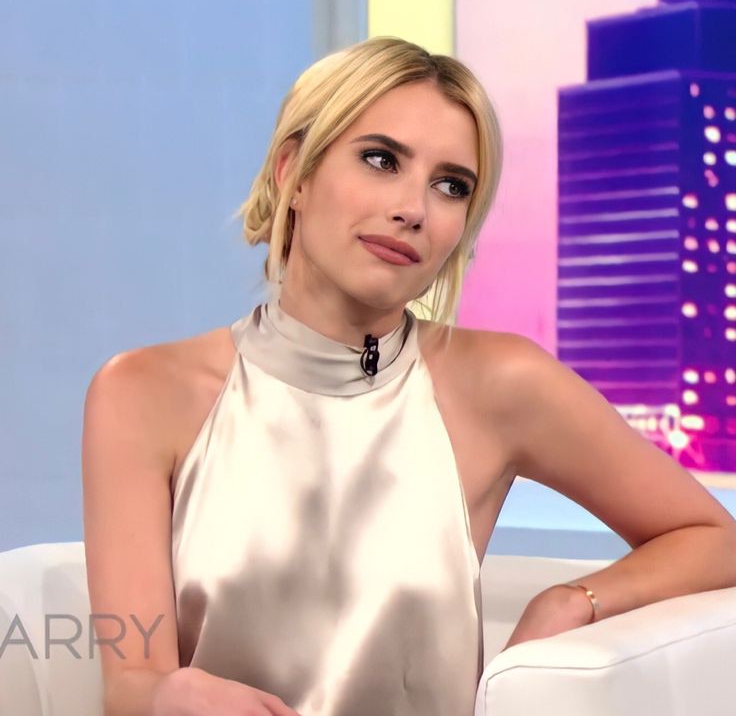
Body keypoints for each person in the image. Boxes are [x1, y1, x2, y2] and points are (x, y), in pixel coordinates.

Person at [82, 36, 736, 716]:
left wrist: (574, 601)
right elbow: (128, 682)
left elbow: (716, 539)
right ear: (292, 173)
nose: (413, 209)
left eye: (450, 185)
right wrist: (166, 694)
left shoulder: (501, 384)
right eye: (380, 159)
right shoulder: (140, 394)